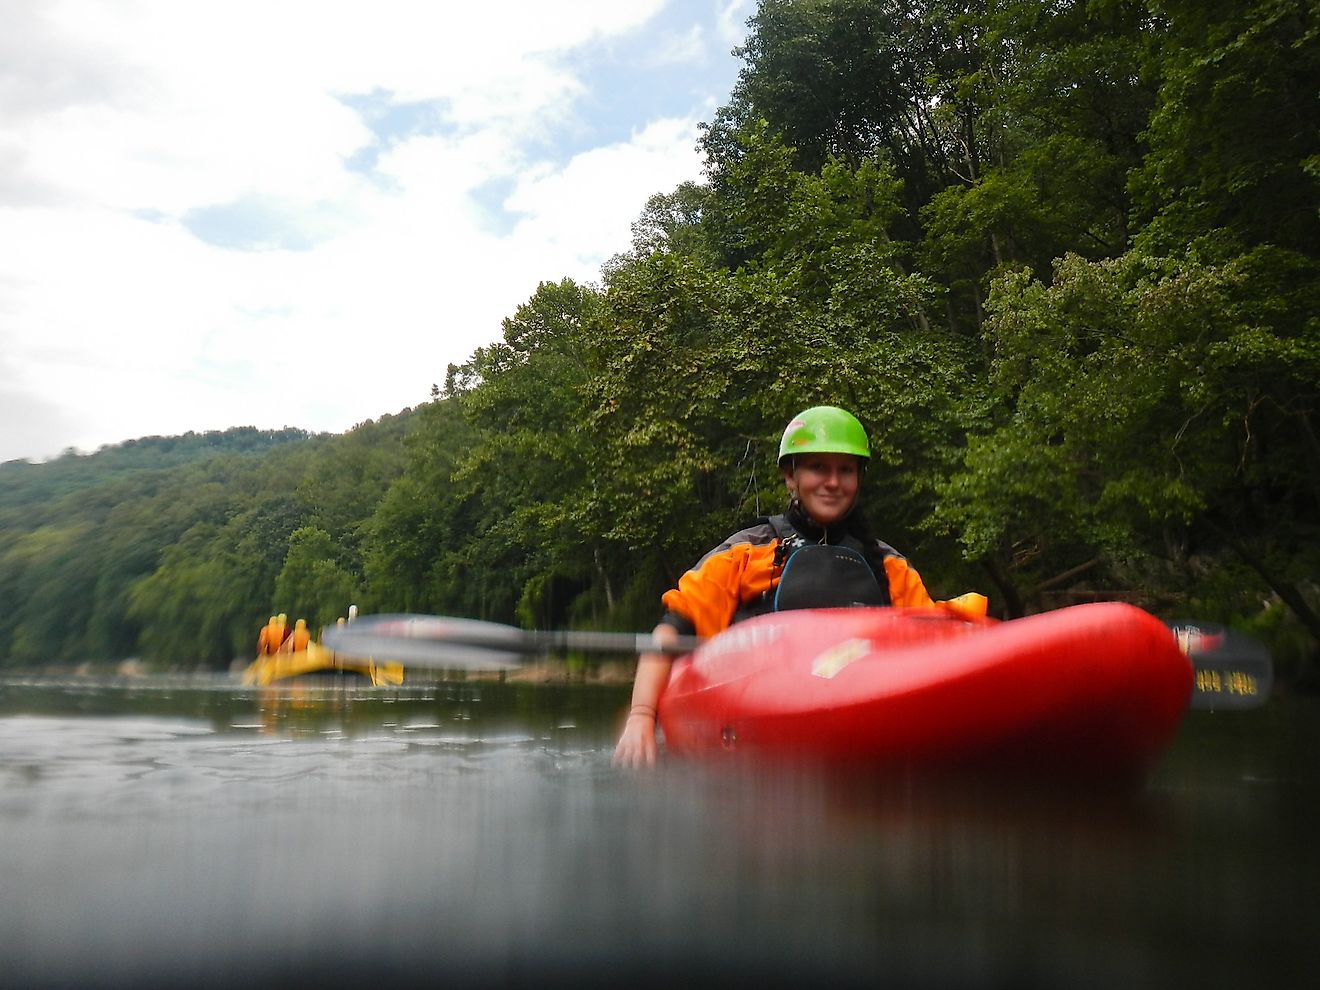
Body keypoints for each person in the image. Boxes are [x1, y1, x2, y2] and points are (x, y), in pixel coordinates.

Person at [612, 405, 987, 768]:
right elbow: (671, 630)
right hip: (753, 704)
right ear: (790, 476)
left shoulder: (890, 567)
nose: (833, 482)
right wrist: (641, 716)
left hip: (861, 702)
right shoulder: (745, 553)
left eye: (846, 470)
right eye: (818, 468)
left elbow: (931, 644)